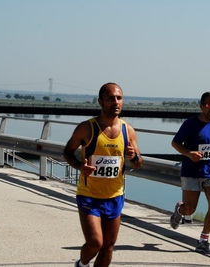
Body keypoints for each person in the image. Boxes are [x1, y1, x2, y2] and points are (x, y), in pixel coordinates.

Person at [63, 82, 143, 267]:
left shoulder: (127, 130)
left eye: (119, 98)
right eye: (110, 98)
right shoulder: (86, 128)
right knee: (95, 243)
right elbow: (67, 152)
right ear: (100, 102)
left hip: (114, 196)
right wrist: (79, 166)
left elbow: (138, 163)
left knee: (108, 247)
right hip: (89, 195)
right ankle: (81, 264)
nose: (116, 102)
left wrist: (134, 156)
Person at [170, 91, 210, 254]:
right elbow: (175, 143)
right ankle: (179, 210)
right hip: (191, 172)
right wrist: (189, 154)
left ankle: (204, 240)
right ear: (202, 106)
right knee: (190, 209)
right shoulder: (190, 124)